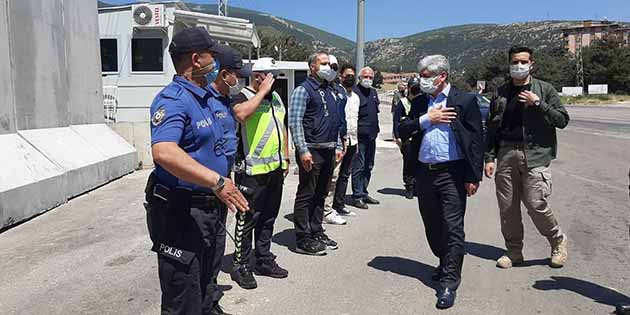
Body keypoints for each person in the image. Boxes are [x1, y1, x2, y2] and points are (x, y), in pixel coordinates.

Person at [144, 27, 250, 315]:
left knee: (207, 280)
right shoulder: (174, 99)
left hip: (211, 206)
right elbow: (164, 151)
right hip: (182, 211)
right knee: (183, 293)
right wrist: (216, 181)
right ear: (195, 59)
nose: (215, 58)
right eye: (211, 53)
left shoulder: (207, 97)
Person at [399, 55, 483, 309]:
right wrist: (427, 119)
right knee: (432, 225)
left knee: (453, 226)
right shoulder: (420, 102)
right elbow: (403, 129)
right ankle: (445, 260)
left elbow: (476, 140)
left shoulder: (465, 101)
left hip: (453, 173)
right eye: (420, 76)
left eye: (425, 76)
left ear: (442, 76)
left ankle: (449, 280)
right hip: (425, 173)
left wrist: (473, 176)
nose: (421, 80)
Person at [484, 46, 570, 270]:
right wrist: (490, 157)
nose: (519, 66)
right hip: (505, 154)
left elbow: (562, 120)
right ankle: (514, 251)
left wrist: (538, 103)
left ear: (532, 64)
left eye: (523, 62)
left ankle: (557, 241)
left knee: (535, 203)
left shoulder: (545, 89)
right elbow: (492, 127)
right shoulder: (501, 92)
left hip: (535, 154)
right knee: (507, 207)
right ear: (509, 64)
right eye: (515, 62)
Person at [228, 57, 289, 290]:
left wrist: (285, 156)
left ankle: (263, 258)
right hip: (250, 172)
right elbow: (241, 115)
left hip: (273, 169)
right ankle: (241, 264)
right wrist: (261, 92)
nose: (275, 79)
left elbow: (281, 126)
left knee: (268, 217)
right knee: (247, 219)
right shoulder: (241, 96)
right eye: (271, 75)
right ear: (258, 76)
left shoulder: (275, 97)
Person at [288, 51, 343, 255]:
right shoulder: (303, 90)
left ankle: (316, 229)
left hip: (328, 149)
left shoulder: (330, 90)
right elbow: (295, 122)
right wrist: (302, 150)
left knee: (321, 193)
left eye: (329, 63)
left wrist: (337, 146)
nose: (328, 66)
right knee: (307, 193)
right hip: (311, 150)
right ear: (312, 67)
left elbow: (334, 121)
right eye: (323, 63)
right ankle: (303, 238)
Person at [323, 64, 360, 225]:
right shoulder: (337, 94)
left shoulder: (356, 97)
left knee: (345, 175)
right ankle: (326, 209)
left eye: (353, 75)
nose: (350, 78)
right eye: (347, 75)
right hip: (340, 140)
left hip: (353, 140)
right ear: (341, 77)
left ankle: (339, 205)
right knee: (333, 176)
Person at [350, 67, 381, 209]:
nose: (368, 79)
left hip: (372, 136)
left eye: (370, 77)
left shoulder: (374, 92)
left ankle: (364, 192)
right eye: (365, 77)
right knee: (359, 166)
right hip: (359, 137)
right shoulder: (354, 93)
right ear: (359, 78)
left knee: (369, 166)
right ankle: (357, 196)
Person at [393, 77, 422, 199]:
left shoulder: (422, 102)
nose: (415, 90)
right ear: (409, 88)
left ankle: (417, 186)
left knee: (419, 163)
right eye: (413, 87)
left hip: (419, 136)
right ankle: (409, 186)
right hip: (407, 138)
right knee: (408, 162)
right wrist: (397, 136)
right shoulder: (403, 102)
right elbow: (396, 121)